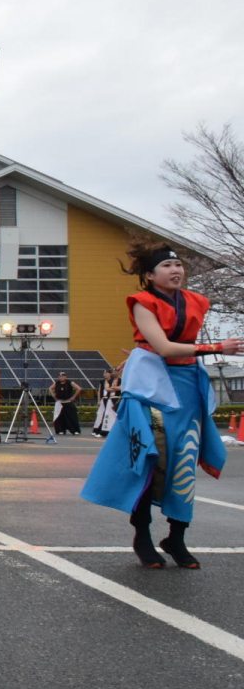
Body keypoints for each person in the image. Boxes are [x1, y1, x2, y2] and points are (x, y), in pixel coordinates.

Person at [81, 237, 239, 568]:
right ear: (150, 276)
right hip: (150, 389)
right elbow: (164, 348)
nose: (175, 269)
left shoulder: (197, 300)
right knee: (151, 456)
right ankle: (142, 535)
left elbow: (173, 346)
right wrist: (216, 349)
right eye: (166, 265)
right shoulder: (142, 301)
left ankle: (176, 537)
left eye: (178, 263)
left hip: (187, 386)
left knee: (185, 460)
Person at [91, 369, 120, 437]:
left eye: (116, 371)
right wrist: (115, 388)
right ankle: (102, 431)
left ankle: (114, 431)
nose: (105, 374)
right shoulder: (107, 381)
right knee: (105, 415)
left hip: (117, 398)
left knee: (115, 415)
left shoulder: (122, 380)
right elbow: (106, 388)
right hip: (109, 398)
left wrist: (113, 387)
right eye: (114, 372)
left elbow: (121, 388)